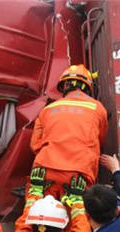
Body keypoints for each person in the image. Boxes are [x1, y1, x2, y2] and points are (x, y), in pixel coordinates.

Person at [30, 64, 108, 198]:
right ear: (87, 87)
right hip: (79, 172)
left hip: (45, 170)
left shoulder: (48, 109)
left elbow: (35, 145)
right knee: (78, 213)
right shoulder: (98, 108)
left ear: (64, 86)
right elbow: (99, 140)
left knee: (39, 214)